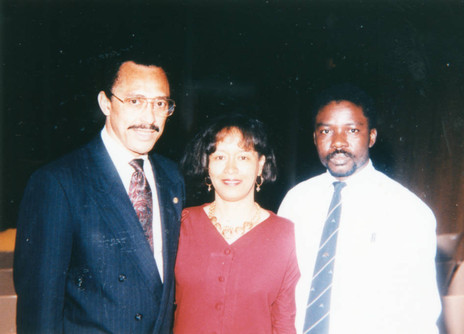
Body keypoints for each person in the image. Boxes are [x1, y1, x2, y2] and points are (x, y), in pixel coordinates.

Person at [14, 54, 184, 333]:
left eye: (160, 103)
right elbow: (39, 309)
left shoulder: (172, 177)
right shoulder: (58, 183)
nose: (149, 118)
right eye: (135, 101)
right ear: (106, 103)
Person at [278, 84, 441, 334]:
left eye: (352, 130)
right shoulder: (296, 201)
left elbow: (421, 314)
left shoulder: (407, 211)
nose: (338, 142)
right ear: (314, 138)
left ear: (372, 136)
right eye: (326, 131)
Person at [174, 114, 300, 334]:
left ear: (260, 165)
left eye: (243, 157)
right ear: (207, 164)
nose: (230, 169)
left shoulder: (284, 234)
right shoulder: (181, 223)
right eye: (220, 157)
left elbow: (283, 322)